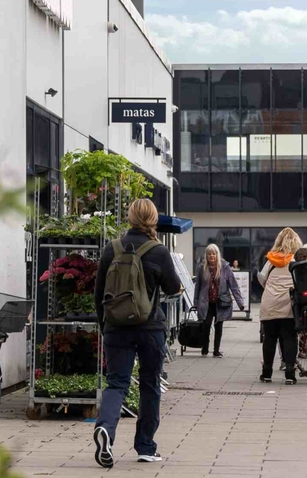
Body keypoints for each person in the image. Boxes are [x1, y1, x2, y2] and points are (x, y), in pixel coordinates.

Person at [92, 199, 181, 469]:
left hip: (116, 327)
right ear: (153, 220)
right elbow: (174, 287)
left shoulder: (112, 249)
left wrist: (105, 325)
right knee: (150, 384)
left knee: (117, 383)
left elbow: (98, 294)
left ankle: (106, 427)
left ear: (130, 218)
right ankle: (145, 447)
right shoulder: (159, 251)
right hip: (150, 327)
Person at [257, 227, 302, 384]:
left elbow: (262, 279)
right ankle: (290, 373)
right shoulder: (296, 262)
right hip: (288, 305)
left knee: (270, 338)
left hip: (269, 304)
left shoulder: (270, 261)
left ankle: (267, 373)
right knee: (290, 338)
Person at [194, 244, 245, 357]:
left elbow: (234, 286)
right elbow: (197, 287)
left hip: (220, 302)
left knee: (219, 326)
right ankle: (205, 348)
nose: (211, 256)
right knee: (206, 325)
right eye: (209, 254)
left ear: (217, 255)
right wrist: (196, 303)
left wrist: (240, 303)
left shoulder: (225, 267)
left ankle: (216, 350)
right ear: (206, 256)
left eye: (213, 254)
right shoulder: (202, 268)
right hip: (206, 302)